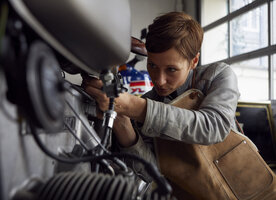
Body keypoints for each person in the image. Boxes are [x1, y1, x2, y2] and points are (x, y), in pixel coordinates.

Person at [82, 11, 240, 198]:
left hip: (243, 189)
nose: (159, 80)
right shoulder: (149, 102)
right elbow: (152, 175)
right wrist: (122, 122)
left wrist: (133, 106)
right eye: (152, 66)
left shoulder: (218, 75)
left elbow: (214, 126)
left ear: (193, 61)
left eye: (171, 69)